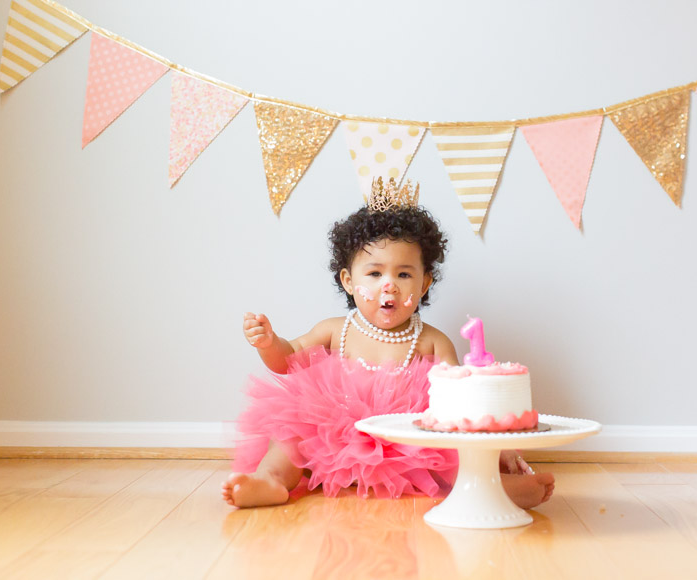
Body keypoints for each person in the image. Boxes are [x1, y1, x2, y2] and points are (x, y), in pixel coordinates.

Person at [221, 178, 555, 509]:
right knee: (290, 436)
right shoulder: (334, 330)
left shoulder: (431, 341)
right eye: (375, 274)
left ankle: (493, 488)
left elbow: (462, 405)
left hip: (407, 444)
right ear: (349, 281)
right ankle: (271, 480)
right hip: (333, 435)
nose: (389, 286)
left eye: (404, 275)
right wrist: (269, 343)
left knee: (453, 452)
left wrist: (498, 447)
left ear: (424, 284)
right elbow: (288, 360)